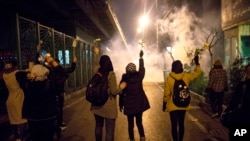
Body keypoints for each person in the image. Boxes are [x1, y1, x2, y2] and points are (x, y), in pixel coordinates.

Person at [16, 55, 65, 141]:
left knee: (35, 138)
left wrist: (30, 73)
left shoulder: (28, 86)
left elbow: (18, 75)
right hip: (48, 117)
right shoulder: (51, 85)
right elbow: (63, 74)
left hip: (33, 118)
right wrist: (53, 62)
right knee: (48, 137)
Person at [163, 56, 201, 141]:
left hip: (172, 105)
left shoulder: (169, 78)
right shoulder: (186, 76)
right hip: (183, 104)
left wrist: (164, 104)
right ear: (181, 67)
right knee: (181, 124)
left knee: (174, 125)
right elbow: (197, 73)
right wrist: (197, 63)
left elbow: (166, 94)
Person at [90, 55, 126, 141]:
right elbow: (114, 91)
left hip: (96, 106)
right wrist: (121, 87)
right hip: (108, 108)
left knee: (98, 126)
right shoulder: (111, 74)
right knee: (109, 131)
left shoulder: (97, 73)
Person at [119, 50, 150, 141]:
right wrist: (141, 58)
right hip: (139, 105)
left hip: (129, 106)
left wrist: (120, 104)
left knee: (130, 125)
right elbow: (142, 68)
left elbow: (121, 93)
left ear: (127, 70)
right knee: (139, 123)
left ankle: (132, 139)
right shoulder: (139, 77)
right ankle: (142, 137)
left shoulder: (125, 80)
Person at [2, 60, 28, 141]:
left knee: (13, 120)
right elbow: (25, 73)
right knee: (22, 119)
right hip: (18, 97)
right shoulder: (17, 73)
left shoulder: (4, 75)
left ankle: (16, 136)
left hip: (10, 99)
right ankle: (21, 138)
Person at [54, 56, 77, 131]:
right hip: (59, 92)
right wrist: (74, 62)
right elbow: (71, 69)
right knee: (59, 108)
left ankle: (58, 122)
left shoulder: (50, 71)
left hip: (53, 93)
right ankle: (58, 124)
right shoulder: (61, 70)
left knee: (56, 108)